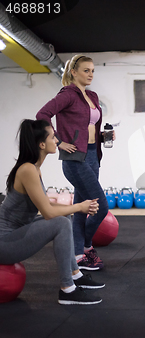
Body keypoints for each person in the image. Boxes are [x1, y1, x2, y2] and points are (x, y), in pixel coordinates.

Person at [0, 119, 104, 305]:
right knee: (61, 221)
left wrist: (75, 208)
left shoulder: (34, 169)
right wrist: (80, 206)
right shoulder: (27, 170)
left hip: (13, 237)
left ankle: (76, 274)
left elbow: (46, 205)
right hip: (4, 244)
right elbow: (47, 213)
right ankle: (67, 289)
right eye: (53, 137)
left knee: (64, 216)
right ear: (41, 144)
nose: (57, 140)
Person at [37, 55, 113, 271]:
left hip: (92, 154)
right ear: (74, 72)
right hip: (75, 158)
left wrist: (105, 136)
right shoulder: (67, 95)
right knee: (101, 207)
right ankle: (87, 247)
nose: (90, 75)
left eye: (92, 71)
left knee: (82, 209)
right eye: (86, 70)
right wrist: (58, 141)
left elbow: (91, 125)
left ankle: (78, 255)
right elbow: (42, 115)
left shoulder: (92, 95)